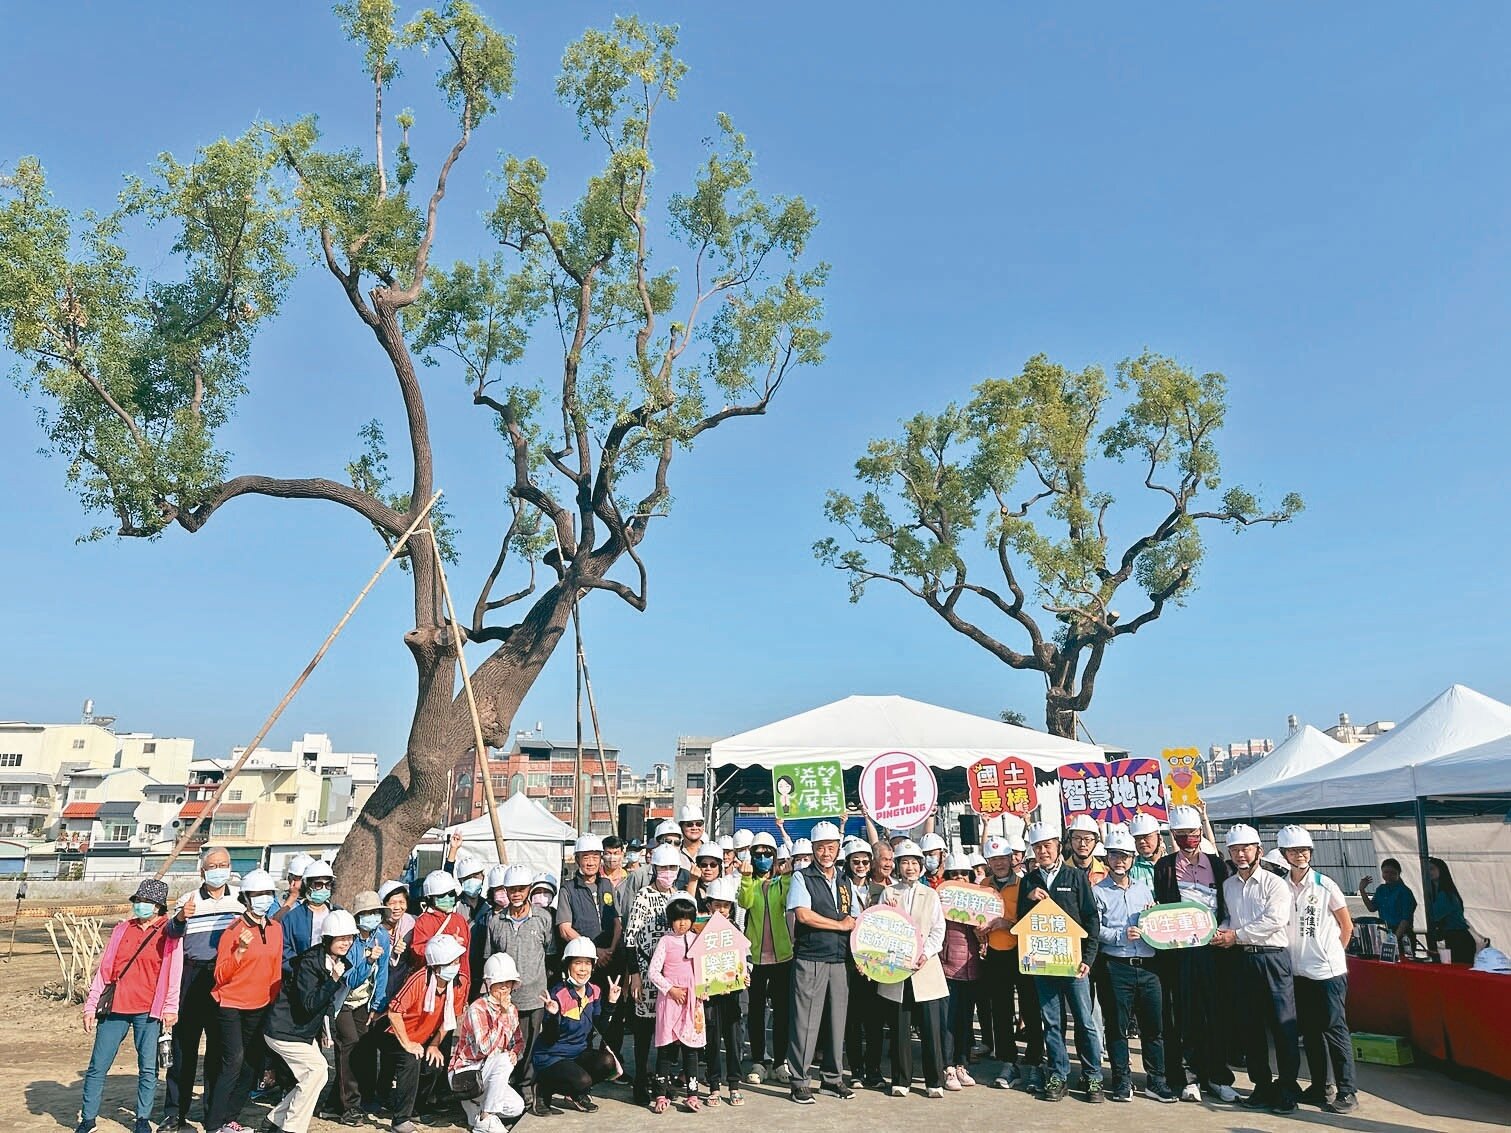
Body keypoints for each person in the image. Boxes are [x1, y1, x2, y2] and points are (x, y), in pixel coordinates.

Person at [78, 878, 181, 1133]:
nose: (140, 905)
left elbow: (174, 972)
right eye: (138, 900)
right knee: (98, 1065)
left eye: (146, 901)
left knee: (148, 1068)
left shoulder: (169, 932)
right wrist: (91, 1005)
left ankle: (142, 1119)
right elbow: (105, 970)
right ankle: (88, 1119)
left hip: (148, 1011)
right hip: (115, 1008)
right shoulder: (122, 929)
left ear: (158, 906)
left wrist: (170, 1007)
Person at [1152, 805, 1238, 1104]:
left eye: (1192, 833)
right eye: (1181, 834)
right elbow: (1160, 905)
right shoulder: (1164, 866)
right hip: (1180, 954)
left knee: (1215, 1013)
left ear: (1201, 833)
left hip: (1214, 950)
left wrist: (1223, 931)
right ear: (1172, 836)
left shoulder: (1218, 865)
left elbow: (1228, 905)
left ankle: (1218, 1077)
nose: (1188, 839)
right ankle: (1189, 1078)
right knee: (1185, 1014)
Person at [1214, 824, 1301, 1114]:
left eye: (1246, 849)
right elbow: (1230, 918)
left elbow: (1274, 920)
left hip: (1272, 959)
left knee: (1282, 1026)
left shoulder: (1275, 884)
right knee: (1249, 1026)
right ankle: (1261, 1085)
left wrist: (1235, 935)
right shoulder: (1228, 886)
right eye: (1235, 850)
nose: (1241, 854)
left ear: (1258, 851)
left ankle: (1287, 1088)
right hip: (1242, 960)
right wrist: (1221, 932)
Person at [1017, 822, 1103, 1103]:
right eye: (1037, 847)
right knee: (1052, 1023)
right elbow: (1021, 922)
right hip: (1043, 964)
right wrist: (1029, 899)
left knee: (1085, 1022)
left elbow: (1091, 919)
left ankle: (1092, 1076)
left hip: (1074, 965)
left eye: (1047, 846)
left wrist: (1088, 959)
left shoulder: (1075, 877)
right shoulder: (1028, 881)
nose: (1043, 851)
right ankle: (1058, 1074)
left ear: (1058, 846)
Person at [1275, 827, 1357, 1114]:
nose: (1300, 855)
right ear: (1284, 854)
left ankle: (1347, 1090)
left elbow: (1347, 925)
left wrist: (1332, 954)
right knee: (1310, 1033)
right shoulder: (1280, 887)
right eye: (1294, 851)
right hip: (1297, 972)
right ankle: (1320, 1085)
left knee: (1334, 1030)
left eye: (1305, 850)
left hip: (1327, 973)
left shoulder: (1325, 885)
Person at [162, 846, 243, 1131]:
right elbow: (170, 934)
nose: (219, 870)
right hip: (192, 974)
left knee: (219, 1049)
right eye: (213, 866)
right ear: (202, 871)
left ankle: (213, 1113)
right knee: (184, 1048)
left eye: (224, 864)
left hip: (227, 978)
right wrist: (181, 918)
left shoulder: (241, 900)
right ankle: (175, 1113)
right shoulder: (188, 899)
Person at [1093, 827, 1176, 1103]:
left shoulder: (1143, 889)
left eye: (1125, 856)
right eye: (1115, 855)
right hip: (1117, 966)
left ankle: (1157, 1081)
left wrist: (1154, 919)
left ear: (1132, 859)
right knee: (1117, 1027)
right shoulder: (1098, 892)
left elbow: (1156, 922)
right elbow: (1094, 928)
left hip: (1149, 967)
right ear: (1107, 858)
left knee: (1154, 1027)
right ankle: (1121, 1080)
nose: (1120, 861)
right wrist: (1120, 935)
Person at [207, 868, 284, 1133]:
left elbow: (275, 969)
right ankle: (214, 1124)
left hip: (260, 1005)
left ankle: (231, 1117)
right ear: (247, 898)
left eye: (268, 893)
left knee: (252, 1064)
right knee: (234, 1061)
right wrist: (239, 950)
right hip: (230, 1004)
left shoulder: (276, 929)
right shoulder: (233, 930)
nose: (264, 899)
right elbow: (220, 975)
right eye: (258, 894)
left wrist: (273, 1003)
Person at [264, 910, 355, 1133]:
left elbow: (327, 1002)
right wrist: (333, 980)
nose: (346, 943)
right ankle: (291, 1127)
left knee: (317, 1075)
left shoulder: (337, 961)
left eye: (350, 938)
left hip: (301, 1031)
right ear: (328, 938)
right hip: (284, 1030)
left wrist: (327, 1030)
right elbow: (309, 1004)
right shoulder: (309, 962)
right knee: (317, 1071)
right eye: (341, 938)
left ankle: (276, 1119)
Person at [785, 820, 856, 1104]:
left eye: (830, 847)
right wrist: (839, 926)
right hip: (811, 957)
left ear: (838, 848)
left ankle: (832, 1078)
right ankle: (800, 1081)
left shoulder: (844, 880)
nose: (826, 853)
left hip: (839, 959)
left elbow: (854, 916)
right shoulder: (802, 877)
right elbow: (803, 915)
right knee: (805, 1022)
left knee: (838, 1022)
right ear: (813, 849)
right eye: (820, 848)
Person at [476, 864, 553, 1107]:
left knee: (530, 1044)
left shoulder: (543, 918)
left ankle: (526, 1086)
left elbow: (549, 952)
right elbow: (490, 956)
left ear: (529, 889)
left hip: (535, 995)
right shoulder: (495, 921)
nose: (516, 894)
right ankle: (504, 1086)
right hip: (505, 998)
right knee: (505, 1043)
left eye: (521, 888)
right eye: (511, 889)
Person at [879, 840, 949, 1098]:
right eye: (905, 862)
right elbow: (880, 926)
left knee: (931, 1027)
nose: (910, 867)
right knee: (900, 1025)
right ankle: (901, 1079)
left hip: (924, 968)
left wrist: (925, 953)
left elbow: (938, 929)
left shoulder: (930, 894)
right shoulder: (888, 893)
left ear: (921, 866)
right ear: (897, 866)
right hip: (897, 968)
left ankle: (934, 1080)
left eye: (914, 863)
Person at [386, 934, 469, 1132]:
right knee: (410, 1061)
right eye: (450, 962)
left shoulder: (460, 982)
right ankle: (400, 1119)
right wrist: (407, 1043)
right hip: (397, 1035)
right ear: (436, 966)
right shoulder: (419, 980)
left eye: (456, 961)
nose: (455, 966)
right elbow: (394, 1013)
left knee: (434, 1064)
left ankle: (418, 1106)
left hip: (425, 1037)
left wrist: (434, 1044)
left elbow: (451, 1017)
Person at [532, 937, 622, 1116]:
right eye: (578, 963)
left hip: (578, 1053)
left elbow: (601, 1028)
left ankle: (575, 1093)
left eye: (587, 963)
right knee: (583, 1081)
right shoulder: (557, 994)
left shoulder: (595, 991)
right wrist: (553, 1015)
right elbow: (549, 1038)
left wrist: (611, 1003)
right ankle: (543, 1088)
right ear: (568, 965)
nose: (583, 969)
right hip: (552, 1056)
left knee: (608, 1063)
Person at [980, 833, 1040, 1091]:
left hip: (1022, 952)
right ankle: (1008, 1061)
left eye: (1003, 858)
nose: (999, 863)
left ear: (1012, 858)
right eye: (993, 859)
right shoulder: (983, 885)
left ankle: (1036, 1060)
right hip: (995, 955)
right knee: (1001, 1010)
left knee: (1031, 1007)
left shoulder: (1026, 884)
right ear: (988, 862)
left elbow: (1034, 918)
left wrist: (1009, 924)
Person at [626, 844, 684, 1104]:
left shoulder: (678, 896)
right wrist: (635, 975)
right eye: (663, 868)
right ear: (654, 868)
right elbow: (630, 939)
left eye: (672, 867)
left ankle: (663, 1081)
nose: (668, 872)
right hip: (647, 972)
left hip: (671, 974)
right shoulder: (643, 896)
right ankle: (640, 1081)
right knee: (643, 1032)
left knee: (668, 1031)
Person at [329, 891, 391, 1125]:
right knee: (349, 1045)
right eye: (367, 913)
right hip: (342, 1001)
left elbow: (383, 972)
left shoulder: (381, 936)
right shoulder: (350, 940)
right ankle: (349, 1106)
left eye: (376, 912)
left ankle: (343, 1101)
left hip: (364, 1001)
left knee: (364, 1046)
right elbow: (351, 979)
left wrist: (377, 1004)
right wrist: (369, 960)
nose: (372, 917)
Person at [738, 832, 794, 1087]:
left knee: (782, 1012)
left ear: (775, 856)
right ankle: (759, 1060)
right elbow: (745, 902)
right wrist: (746, 878)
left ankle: (781, 1061)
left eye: (767, 854)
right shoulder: (749, 881)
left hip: (782, 956)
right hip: (756, 958)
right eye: (758, 854)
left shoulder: (782, 882)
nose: (763, 858)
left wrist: (787, 876)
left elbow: (787, 902)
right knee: (756, 1012)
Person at [451, 953, 526, 1133]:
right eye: (500, 984)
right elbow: (484, 1047)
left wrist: (515, 1052)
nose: (505, 988)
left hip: (491, 1071)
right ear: (489, 984)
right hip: (467, 1072)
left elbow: (518, 1041)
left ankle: (476, 1110)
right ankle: (486, 1117)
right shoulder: (477, 1008)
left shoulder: (512, 1009)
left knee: (517, 1107)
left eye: (509, 983)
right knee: (504, 1060)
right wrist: (502, 1016)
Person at [646, 894, 707, 1111]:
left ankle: (692, 1095)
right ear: (671, 919)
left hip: (693, 1001)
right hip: (670, 1001)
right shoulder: (666, 941)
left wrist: (703, 989)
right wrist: (671, 989)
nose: (683, 923)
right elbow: (653, 972)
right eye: (678, 918)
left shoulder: (697, 940)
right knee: (665, 1048)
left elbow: (704, 968)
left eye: (687, 918)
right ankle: (660, 1095)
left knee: (691, 1050)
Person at [841, 837, 885, 1089]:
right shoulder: (841, 889)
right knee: (853, 1019)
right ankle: (856, 1070)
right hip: (848, 961)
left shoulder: (880, 890)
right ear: (848, 863)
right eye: (855, 861)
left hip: (876, 962)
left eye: (865, 862)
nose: (860, 866)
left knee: (875, 1019)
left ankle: (874, 1069)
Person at [701, 877, 747, 1106]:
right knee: (712, 1040)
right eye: (717, 905)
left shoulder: (735, 929)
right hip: (710, 997)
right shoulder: (700, 930)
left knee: (733, 1039)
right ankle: (714, 1086)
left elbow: (744, 958)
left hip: (732, 995)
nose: (721, 910)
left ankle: (734, 1085)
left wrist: (745, 974)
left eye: (725, 905)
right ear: (709, 905)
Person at [938, 854, 982, 1091]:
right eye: (954, 874)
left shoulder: (980, 901)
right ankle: (948, 1067)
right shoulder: (939, 901)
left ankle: (962, 1064)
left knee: (965, 1020)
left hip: (971, 968)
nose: (960, 878)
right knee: (948, 1020)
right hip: (948, 967)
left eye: (964, 874)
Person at [1427, 857, 1489, 963]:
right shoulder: (1440, 893)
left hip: (1459, 939)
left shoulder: (1446, 895)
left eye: (1432, 868)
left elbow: (1434, 916)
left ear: (1441, 870)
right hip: (1453, 938)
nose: (1429, 872)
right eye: (1427, 869)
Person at [280, 859, 340, 965]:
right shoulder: (292, 918)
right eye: (318, 884)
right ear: (307, 885)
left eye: (328, 884)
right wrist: (302, 967)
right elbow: (284, 950)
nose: (324, 889)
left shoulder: (338, 914)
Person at [411, 870, 472, 962]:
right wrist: (444, 947)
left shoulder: (459, 920)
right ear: (430, 898)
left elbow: (465, 957)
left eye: (451, 894)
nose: (447, 898)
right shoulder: (423, 922)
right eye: (441, 895)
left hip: (458, 970)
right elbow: (417, 953)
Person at [1358, 858, 1417, 949]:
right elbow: (1371, 908)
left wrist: (1395, 938)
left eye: (1392, 873)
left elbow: (1406, 919)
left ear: (1399, 873)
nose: (1389, 875)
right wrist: (1362, 890)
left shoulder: (1404, 891)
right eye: (1386, 872)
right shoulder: (1381, 889)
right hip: (1386, 932)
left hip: (1402, 934)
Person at [380, 879, 417, 984]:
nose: (397, 907)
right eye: (392, 903)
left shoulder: (412, 922)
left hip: (404, 981)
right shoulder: (376, 928)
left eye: (402, 902)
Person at [1065, 814, 1107, 885]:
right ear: (1070, 840)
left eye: (1087, 839)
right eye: (1077, 838)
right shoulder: (1061, 872)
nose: (1082, 844)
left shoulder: (1106, 873)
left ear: (1096, 841)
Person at [273, 854, 315, 923]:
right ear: (291, 879)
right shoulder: (280, 899)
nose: (306, 883)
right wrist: (293, 897)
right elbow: (273, 923)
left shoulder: (319, 899)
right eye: (301, 879)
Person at [1128, 814, 1162, 888]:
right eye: (1137, 838)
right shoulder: (1130, 867)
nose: (1142, 841)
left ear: (1159, 838)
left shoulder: (1174, 863)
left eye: (1146, 836)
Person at [675, 805, 709, 871]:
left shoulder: (711, 851)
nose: (694, 828)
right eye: (689, 824)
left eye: (699, 824)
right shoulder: (674, 853)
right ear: (681, 827)